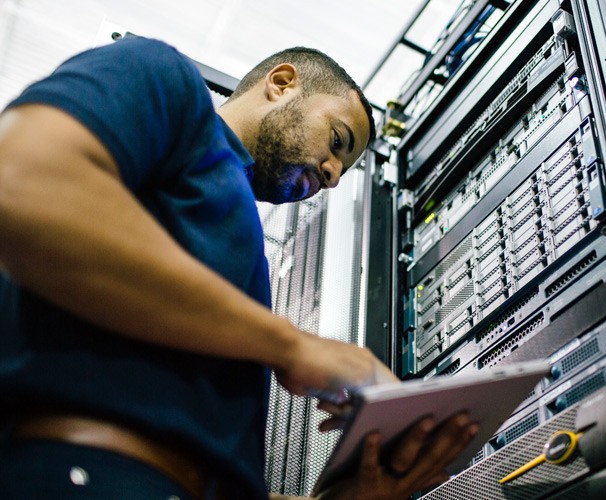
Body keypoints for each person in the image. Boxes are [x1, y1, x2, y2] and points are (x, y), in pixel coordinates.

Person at [0, 36, 477, 499]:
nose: (332, 175)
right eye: (337, 140)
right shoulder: (166, 79)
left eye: (342, 168)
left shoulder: (245, 266)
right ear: (283, 82)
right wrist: (293, 347)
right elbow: (21, 184)